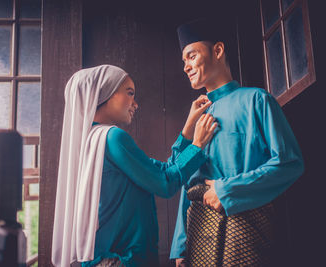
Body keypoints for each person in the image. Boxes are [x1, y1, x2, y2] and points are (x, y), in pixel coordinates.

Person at [51, 64, 218, 267]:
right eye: (129, 93)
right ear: (105, 93)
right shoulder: (112, 137)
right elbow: (165, 184)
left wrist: (187, 130)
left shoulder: (89, 139)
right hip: (122, 261)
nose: (135, 103)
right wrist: (198, 145)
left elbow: (162, 171)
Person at [170, 18, 304, 266]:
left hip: (244, 233)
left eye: (191, 56)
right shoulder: (196, 118)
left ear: (218, 51)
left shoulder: (257, 100)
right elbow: (185, 181)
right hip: (197, 235)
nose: (186, 66)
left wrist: (229, 190)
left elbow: (290, 163)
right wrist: (180, 245)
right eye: (183, 61)